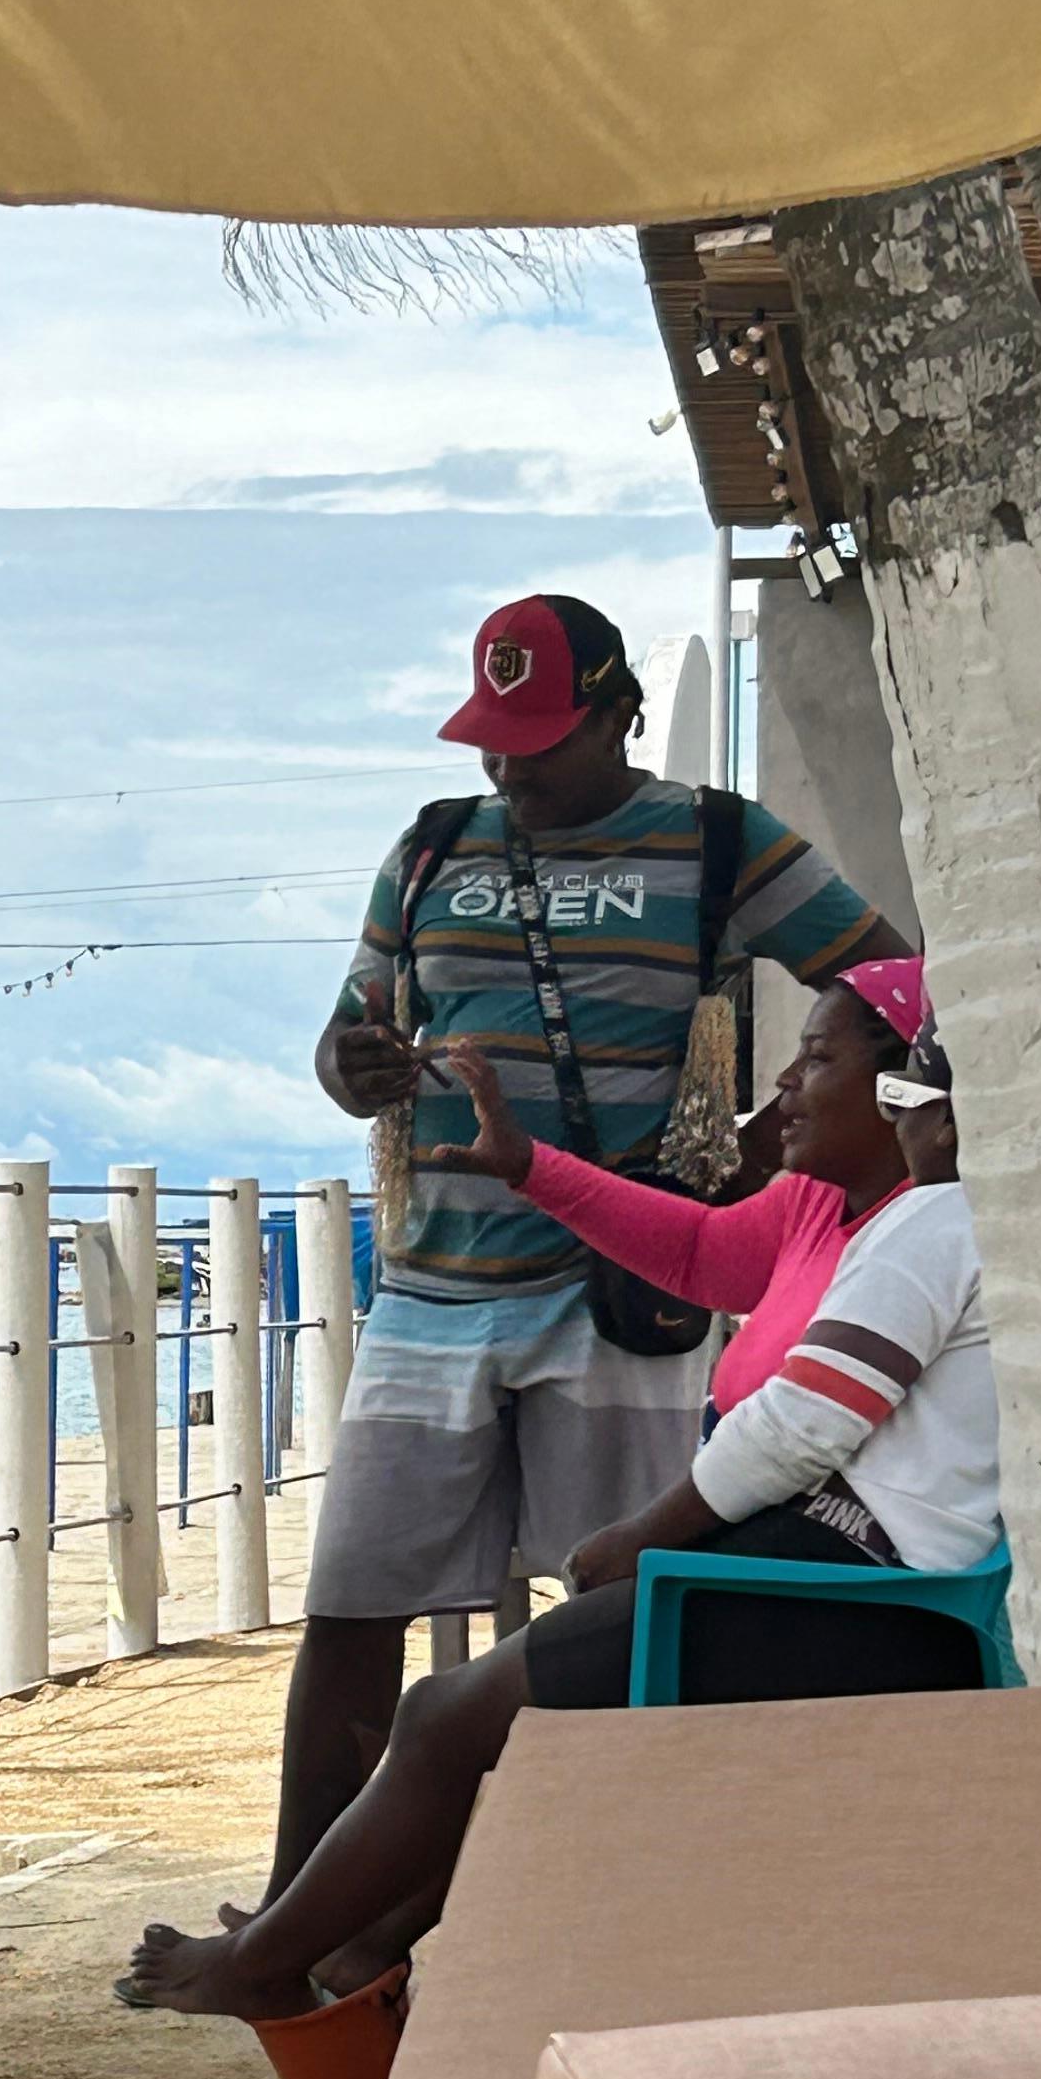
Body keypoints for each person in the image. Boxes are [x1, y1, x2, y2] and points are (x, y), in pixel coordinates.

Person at [122, 973, 990, 2028]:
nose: (788, 1080)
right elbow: (709, 1261)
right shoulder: (848, 1210)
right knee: (491, 1729)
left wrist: (641, 1535)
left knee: (451, 1720)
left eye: (821, 1059)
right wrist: (530, 1167)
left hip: (845, 1586)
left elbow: (807, 1422)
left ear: (922, 1099)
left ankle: (273, 1963)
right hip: (824, 1562)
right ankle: (348, 1956)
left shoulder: (937, 1222)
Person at [280, 593, 909, 1906]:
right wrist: (351, 1066)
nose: (507, 765)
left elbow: (888, 991)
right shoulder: (429, 851)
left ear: (619, 712)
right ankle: (303, 1909)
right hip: (430, 1288)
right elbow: (352, 1032)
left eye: (539, 738)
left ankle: (559, 1901)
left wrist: (763, 1133)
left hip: (617, 1296)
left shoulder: (721, 844)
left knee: (608, 1614)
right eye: (490, 739)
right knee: (349, 1606)